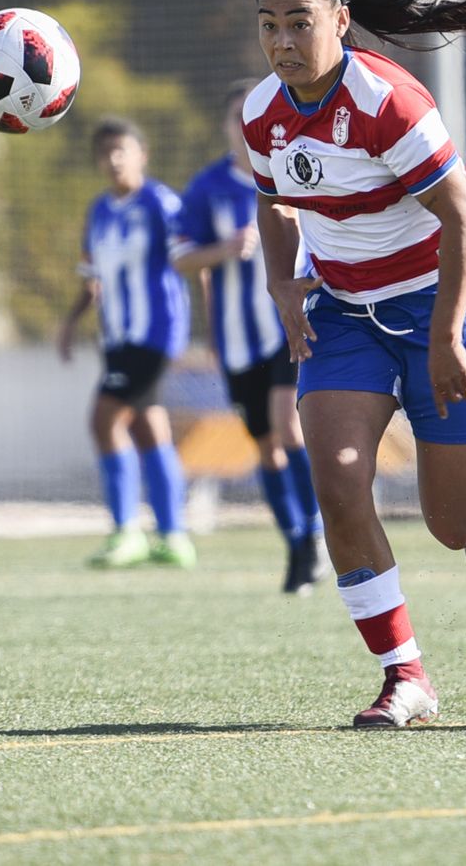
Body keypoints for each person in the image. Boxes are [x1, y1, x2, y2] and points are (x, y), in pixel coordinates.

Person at [246, 0, 466, 728]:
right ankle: (406, 675)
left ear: (339, 18)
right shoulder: (263, 114)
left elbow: (462, 215)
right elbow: (272, 204)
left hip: (441, 304)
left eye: (299, 21)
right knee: (335, 476)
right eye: (268, 24)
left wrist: (444, 339)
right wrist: (281, 283)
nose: (282, 40)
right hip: (342, 312)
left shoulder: (387, 101)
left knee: (448, 523)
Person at [171, 80, 330, 594]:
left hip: (288, 328)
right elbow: (180, 257)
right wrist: (224, 249)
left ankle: (317, 533)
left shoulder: (292, 171)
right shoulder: (206, 188)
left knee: (289, 428)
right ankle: (296, 542)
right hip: (237, 339)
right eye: (235, 115)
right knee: (266, 448)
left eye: (251, 114)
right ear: (226, 126)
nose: (244, 125)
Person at [58, 118, 195, 569]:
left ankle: (126, 531)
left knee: (103, 421)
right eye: (106, 151)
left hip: (153, 334)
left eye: (123, 149)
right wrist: (71, 321)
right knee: (147, 427)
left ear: (143, 155)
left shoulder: (160, 202)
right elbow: (91, 276)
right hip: (116, 337)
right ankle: (173, 537)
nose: (114, 158)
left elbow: (189, 257)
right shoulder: (98, 210)